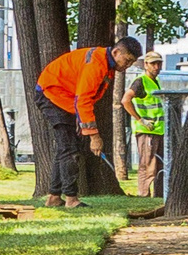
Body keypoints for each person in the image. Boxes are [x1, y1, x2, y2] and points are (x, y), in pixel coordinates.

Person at [36, 36, 143, 207]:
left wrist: (82, 122)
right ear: (116, 52)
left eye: (131, 62)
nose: (128, 65)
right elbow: (84, 99)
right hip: (53, 95)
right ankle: (71, 199)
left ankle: (54, 197)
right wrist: (94, 136)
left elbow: (86, 98)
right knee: (70, 149)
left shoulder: (107, 65)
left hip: (64, 99)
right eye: (127, 60)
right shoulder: (97, 64)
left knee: (66, 147)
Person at [129, 51, 167, 198]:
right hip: (146, 131)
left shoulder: (155, 81)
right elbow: (126, 100)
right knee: (147, 164)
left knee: (159, 165)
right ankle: (143, 194)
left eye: (159, 63)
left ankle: (158, 195)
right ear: (146, 65)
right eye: (153, 64)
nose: (156, 67)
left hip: (158, 130)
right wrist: (141, 120)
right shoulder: (140, 81)